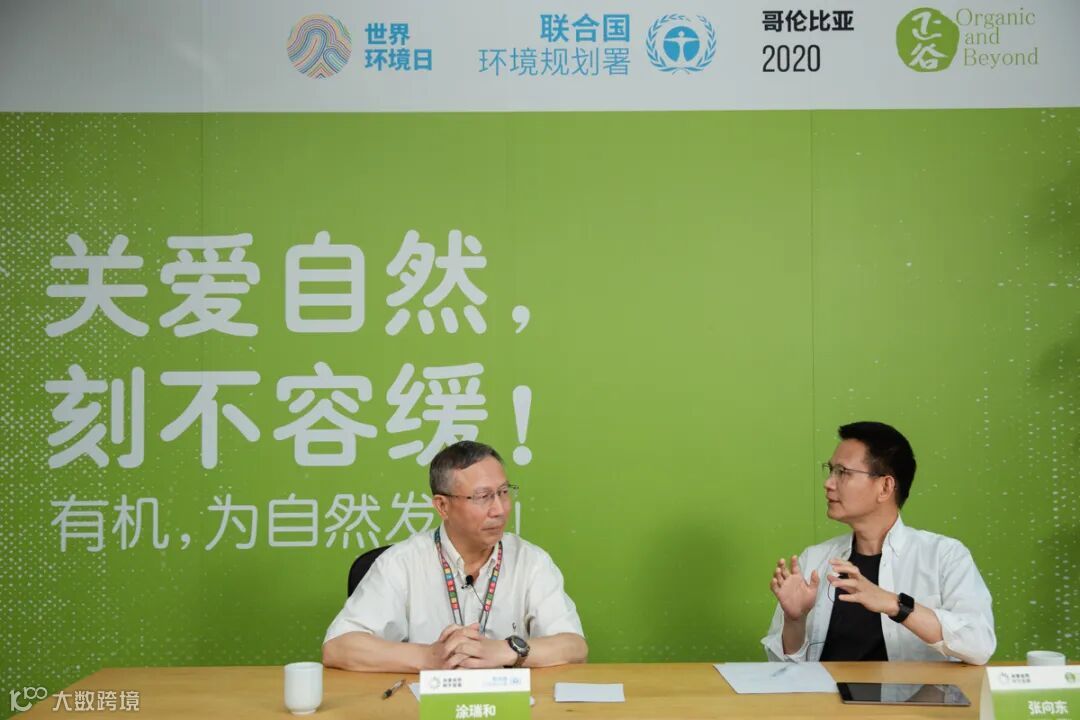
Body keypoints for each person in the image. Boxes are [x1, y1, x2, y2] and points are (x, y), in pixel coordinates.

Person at [323, 440, 588, 672]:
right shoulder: (401, 563)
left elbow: (574, 646)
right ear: (443, 506)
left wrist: (506, 650)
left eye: (504, 492)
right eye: (483, 496)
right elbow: (338, 647)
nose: (499, 509)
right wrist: (428, 657)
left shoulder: (531, 561)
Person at [762, 421, 996, 664]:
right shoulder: (815, 560)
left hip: (912, 691)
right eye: (830, 470)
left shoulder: (944, 556)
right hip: (825, 691)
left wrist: (895, 605)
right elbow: (782, 670)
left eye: (843, 472)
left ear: (885, 487)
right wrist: (795, 620)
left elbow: (979, 644)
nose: (828, 483)